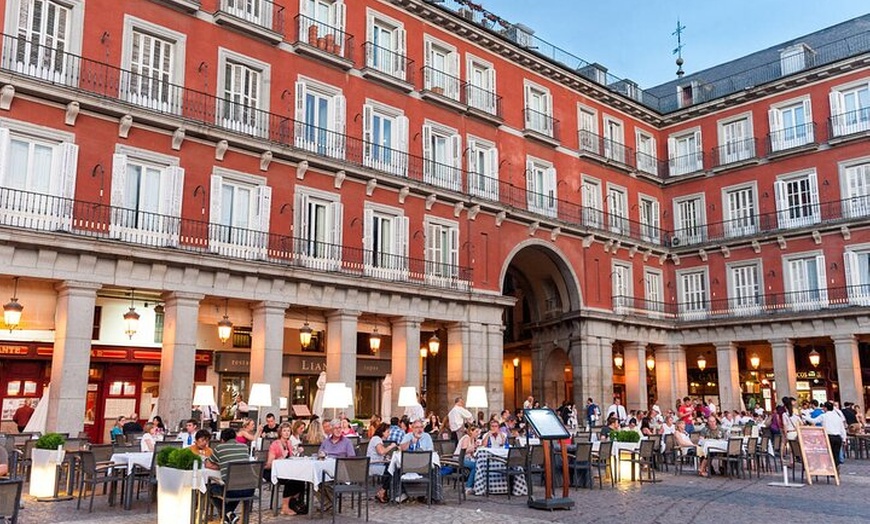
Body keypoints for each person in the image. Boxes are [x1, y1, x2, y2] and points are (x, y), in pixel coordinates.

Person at [207, 428, 254, 524]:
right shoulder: (244, 447)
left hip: (231, 490)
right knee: (235, 485)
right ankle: (228, 516)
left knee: (209, 488)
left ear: (222, 440)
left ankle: (227, 514)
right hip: (249, 489)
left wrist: (222, 465)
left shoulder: (220, 448)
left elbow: (208, 464)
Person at [267, 423, 305, 516]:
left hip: (286, 471)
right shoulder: (275, 444)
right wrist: (281, 457)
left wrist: (297, 453)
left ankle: (293, 502)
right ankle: (285, 507)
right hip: (273, 472)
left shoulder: (289, 443)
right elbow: (269, 464)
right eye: (284, 431)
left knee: (301, 479)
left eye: (288, 431)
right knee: (291, 481)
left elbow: (290, 458)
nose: (287, 433)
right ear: (280, 432)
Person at [804, 401, 847, 467]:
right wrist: (844, 438)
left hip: (829, 437)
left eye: (823, 407)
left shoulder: (824, 416)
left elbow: (814, 421)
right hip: (838, 437)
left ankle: (830, 468)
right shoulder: (837, 417)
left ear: (826, 408)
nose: (823, 409)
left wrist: (805, 417)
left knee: (829, 454)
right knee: (836, 454)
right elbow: (842, 428)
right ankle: (836, 468)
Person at [457, 425, 481, 495]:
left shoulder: (473, 439)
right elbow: (463, 451)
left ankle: (476, 485)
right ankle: (468, 487)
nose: (477, 434)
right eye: (476, 432)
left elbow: (472, 454)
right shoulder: (466, 438)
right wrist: (474, 447)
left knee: (479, 464)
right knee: (476, 466)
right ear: (471, 431)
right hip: (459, 459)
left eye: (478, 432)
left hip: (468, 459)